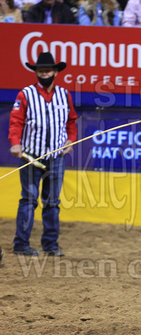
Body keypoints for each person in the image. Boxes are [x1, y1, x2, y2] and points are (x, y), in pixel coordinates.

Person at [8, 52, 78, 257]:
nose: (44, 73)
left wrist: (70, 140)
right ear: (35, 72)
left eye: (47, 70)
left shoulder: (65, 95)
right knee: (28, 199)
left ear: (55, 72)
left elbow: (71, 121)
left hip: (56, 156)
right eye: (40, 71)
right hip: (31, 156)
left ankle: (50, 244)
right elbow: (16, 122)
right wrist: (15, 143)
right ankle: (21, 244)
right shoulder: (25, 94)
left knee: (52, 202)